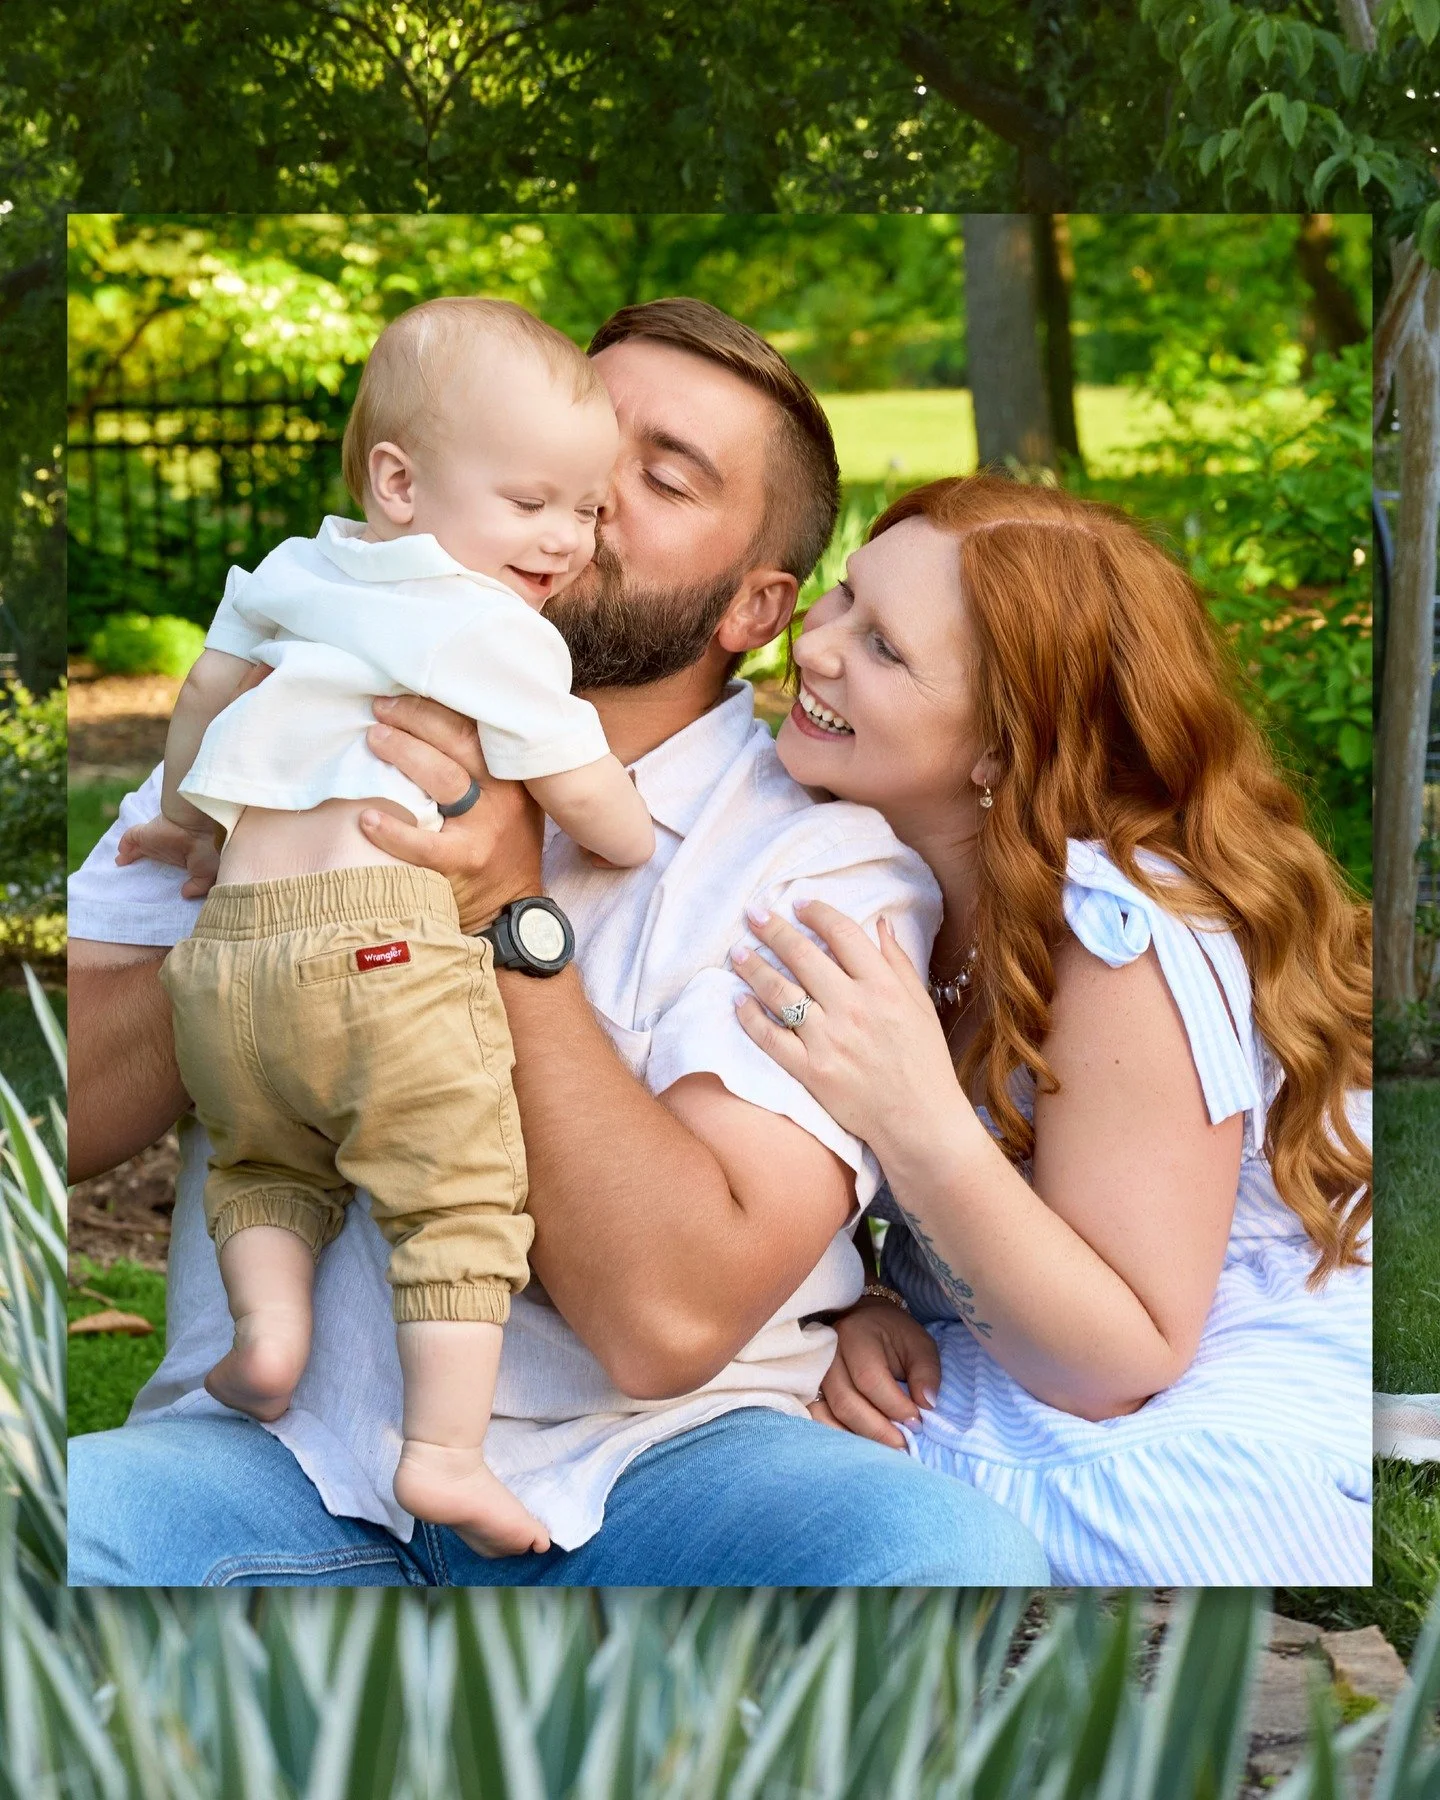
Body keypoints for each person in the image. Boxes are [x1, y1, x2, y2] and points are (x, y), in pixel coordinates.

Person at [66, 299, 1049, 1588]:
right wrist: (266, 904)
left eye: (662, 475)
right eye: (578, 437)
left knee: (934, 1556)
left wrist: (502, 908)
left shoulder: (821, 867)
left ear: (755, 606)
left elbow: (668, 1324)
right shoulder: (286, 701)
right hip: (268, 1459)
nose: (586, 497)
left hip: (654, 1472)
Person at [730, 474, 1374, 1587]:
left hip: (1175, 1361)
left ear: (997, 749)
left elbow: (1124, 1360)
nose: (817, 645)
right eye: (843, 599)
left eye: (884, 648)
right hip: (1015, 1325)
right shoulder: (862, 858)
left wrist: (912, 1114)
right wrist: (855, 1300)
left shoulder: (1119, 939)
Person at [113, 297, 654, 1559]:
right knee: (456, 1199)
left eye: (587, 507)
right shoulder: (494, 632)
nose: (567, 538)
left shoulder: (300, 570)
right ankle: (448, 1456)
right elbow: (593, 806)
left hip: (229, 955)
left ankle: (268, 1342)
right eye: (532, 503)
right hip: (379, 947)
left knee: (261, 1161)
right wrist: (622, 833)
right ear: (400, 482)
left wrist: (197, 825)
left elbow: (207, 697)